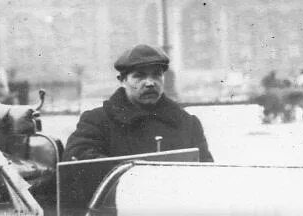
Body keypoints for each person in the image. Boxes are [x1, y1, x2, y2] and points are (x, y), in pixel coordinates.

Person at [65, 44, 213, 162]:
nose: (150, 83)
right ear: (122, 80)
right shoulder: (97, 122)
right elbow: (80, 158)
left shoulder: (187, 124)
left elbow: (206, 174)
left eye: (157, 75)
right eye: (139, 76)